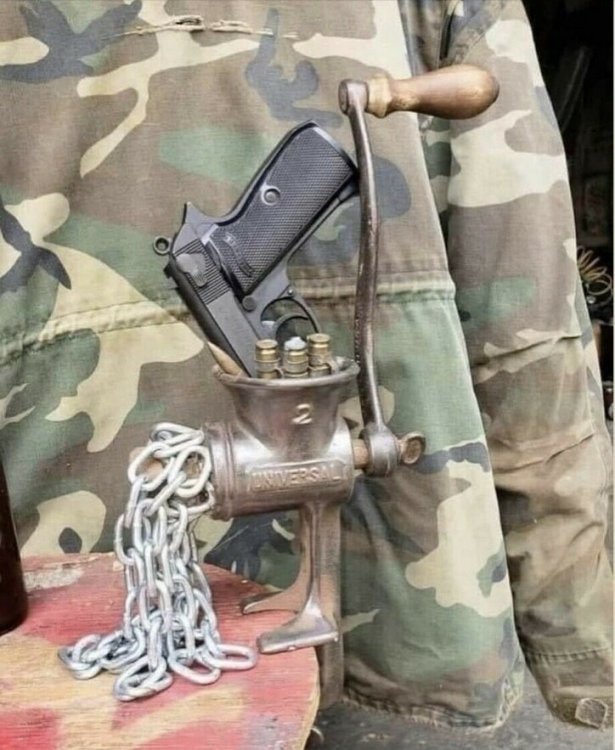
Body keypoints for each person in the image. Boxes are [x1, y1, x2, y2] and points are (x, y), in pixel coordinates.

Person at [0, 0, 610, 731]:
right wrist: (572, 635)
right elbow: (531, 331)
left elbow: (526, 310)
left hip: (73, 590)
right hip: (135, 616)